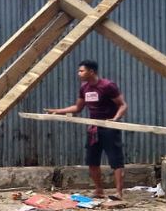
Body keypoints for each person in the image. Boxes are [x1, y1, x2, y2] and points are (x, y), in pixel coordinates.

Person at [45, 60, 128, 199]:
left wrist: (115, 119)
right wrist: (57, 111)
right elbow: (78, 108)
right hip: (93, 129)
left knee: (116, 161)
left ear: (91, 71)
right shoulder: (84, 88)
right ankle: (99, 190)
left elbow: (123, 105)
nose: (79, 73)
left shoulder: (107, 86)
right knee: (92, 161)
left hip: (109, 128)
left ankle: (118, 192)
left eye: (81, 71)